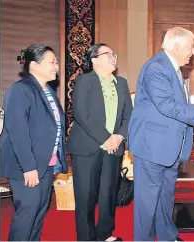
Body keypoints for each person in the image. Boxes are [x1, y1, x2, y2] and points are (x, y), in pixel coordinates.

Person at [128, 26, 194, 241]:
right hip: (152, 147)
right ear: (176, 46)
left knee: (165, 198)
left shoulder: (172, 69)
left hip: (169, 148)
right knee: (146, 204)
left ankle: (167, 237)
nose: (193, 52)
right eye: (191, 46)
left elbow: (175, 106)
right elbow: (166, 105)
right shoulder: (156, 67)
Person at [0, 44, 68, 241]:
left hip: (46, 164)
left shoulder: (47, 91)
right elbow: (17, 131)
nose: (56, 66)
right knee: (27, 214)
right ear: (35, 65)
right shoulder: (20, 90)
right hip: (27, 166)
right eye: (52, 62)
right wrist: (28, 167)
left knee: (39, 212)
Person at [66, 43, 133, 241]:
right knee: (86, 197)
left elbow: (129, 116)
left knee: (108, 195)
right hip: (88, 147)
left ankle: (105, 234)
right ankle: (86, 238)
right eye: (107, 54)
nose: (113, 57)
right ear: (94, 59)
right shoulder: (84, 81)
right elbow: (81, 114)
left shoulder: (121, 83)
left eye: (114, 54)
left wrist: (119, 136)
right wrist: (106, 139)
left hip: (114, 147)